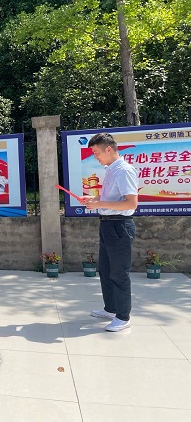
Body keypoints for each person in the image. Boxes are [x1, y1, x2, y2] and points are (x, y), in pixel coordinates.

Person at [80, 133, 138, 332]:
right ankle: (111, 309)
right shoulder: (111, 170)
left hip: (119, 226)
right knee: (105, 270)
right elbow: (112, 199)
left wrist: (99, 203)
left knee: (119, 272)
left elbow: (131, 203)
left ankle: (123, 317)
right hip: (107, 224)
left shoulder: (124, 170)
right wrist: (94, 200)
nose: (95, 156)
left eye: (96, 152)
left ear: (109, 149)